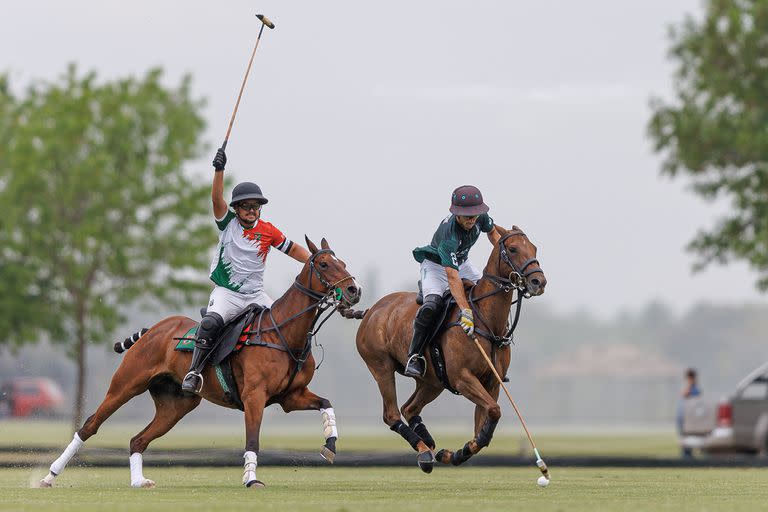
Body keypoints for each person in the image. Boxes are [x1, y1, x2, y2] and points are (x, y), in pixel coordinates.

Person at [181, 148, 311, 393]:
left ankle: (291, 372)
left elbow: (292, 249)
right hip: (227, 294)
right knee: (210, 324)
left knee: (287, 324)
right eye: (247, 206)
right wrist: (219, 170)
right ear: (237, 208)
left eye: (256, 206)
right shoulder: (228, 223)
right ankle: (194, 372)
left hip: (255, 296)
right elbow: (216, 200)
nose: (252, 210)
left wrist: (315, 260)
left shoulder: (268, 230)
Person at [405, 185, 501, 378]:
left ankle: (494, 353)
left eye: (474, 215)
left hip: (462, 262)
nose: (472, 219)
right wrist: (465, 310)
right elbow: (452, 277)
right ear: (456, 214)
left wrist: (503, 250)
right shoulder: (449, 235)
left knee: (490, 293)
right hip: (436, 267)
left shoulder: (479, 217)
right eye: (467, 216)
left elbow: (493, 234)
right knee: (432, 306)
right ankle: (414, 355)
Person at [677, 367, 701, 457]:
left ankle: (688, 458)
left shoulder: (695, 390)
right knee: (685, 440)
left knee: (689, 440)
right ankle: (686, 457)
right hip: (683, 418)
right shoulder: (688, 388)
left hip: (690, 419)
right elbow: (684, 395)